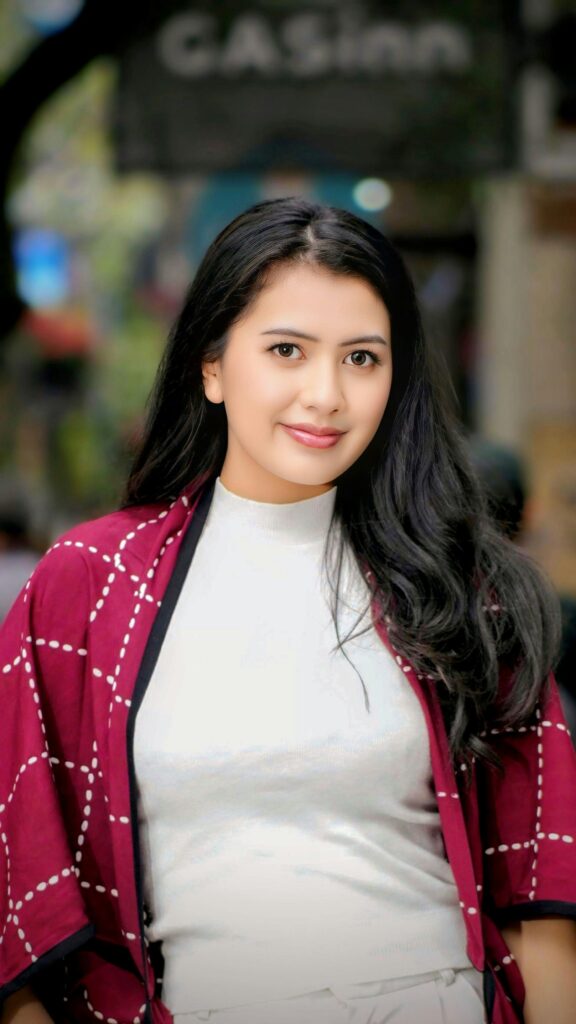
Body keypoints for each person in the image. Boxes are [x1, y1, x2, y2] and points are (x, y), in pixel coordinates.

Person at [1, 197, 575, 1024]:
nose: (326, 395)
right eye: (286, 351)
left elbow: (540, 903)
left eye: (362, 359)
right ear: (211, 365)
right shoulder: (90, 584)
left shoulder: (465, 588)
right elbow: (19, 898)